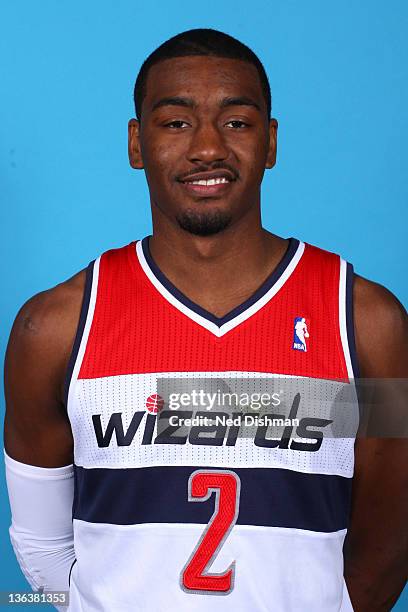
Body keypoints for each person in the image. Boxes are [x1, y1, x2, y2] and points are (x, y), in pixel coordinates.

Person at [3, 28, 408, 612]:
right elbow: (42, 550)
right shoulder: (55, 329)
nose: (208, 148)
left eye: (237, 123)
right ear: (136, 144)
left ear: (270, 143)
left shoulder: (370, 325)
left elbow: (387, 547)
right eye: (176, 123)